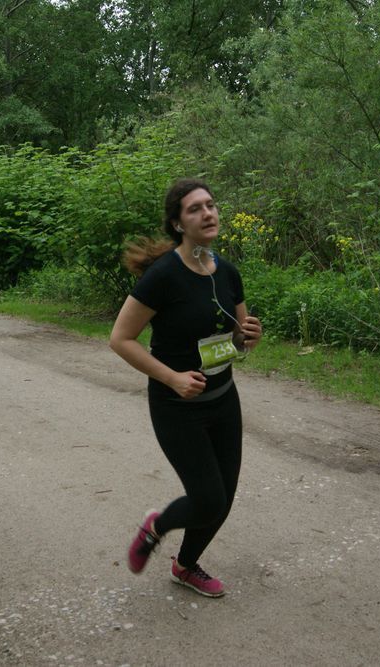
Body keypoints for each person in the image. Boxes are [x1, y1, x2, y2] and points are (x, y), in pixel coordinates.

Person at [110, 178, 262, 598]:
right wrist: (172, 378)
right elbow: (120, 339)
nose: (208, 213)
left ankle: (185, 565)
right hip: (176, 407)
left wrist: (249, 337)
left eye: (211, 205)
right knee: (208, 499)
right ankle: (155, 527)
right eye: (195, 208)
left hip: (223, 400)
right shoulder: (163, 276)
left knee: (222, 500)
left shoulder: (227, 272)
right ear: (178, 224)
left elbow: (238, 340)